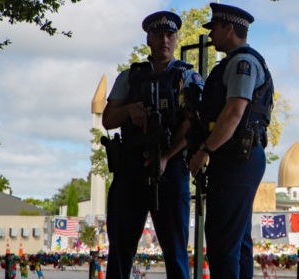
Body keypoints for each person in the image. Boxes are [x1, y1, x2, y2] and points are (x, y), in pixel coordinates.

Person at [102, 10, 204, 279]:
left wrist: (166, 157)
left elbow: (194, 123)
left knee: (176, 253)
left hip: (170, 170)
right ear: (148, 39)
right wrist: (130, 110)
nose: (165, 40)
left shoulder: (188, 78)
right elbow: (108, 119)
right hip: (131, 170)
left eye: (170, 35)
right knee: (121, 251)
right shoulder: (130, 77)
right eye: (158, 35)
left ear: (177, 38)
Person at [189, 3, 274, 278]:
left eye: (214, 28)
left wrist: (204, 150)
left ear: (228, 28)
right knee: (237, 241)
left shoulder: (241, 63)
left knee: (223, 241)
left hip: (238, 157)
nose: (211, 35)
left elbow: (234, 112)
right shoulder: (234, 63)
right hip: (238, 157)